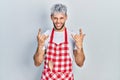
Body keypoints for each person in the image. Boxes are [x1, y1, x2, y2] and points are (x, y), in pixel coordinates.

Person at [33, 3, 86, 80]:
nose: (58, 21)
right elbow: (37, 63)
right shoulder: (45, 36)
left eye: (61, 18)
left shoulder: (73, 36)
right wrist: (40, 45)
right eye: (55, 18)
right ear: (51, 17)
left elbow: (80, 63)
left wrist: (79, 47)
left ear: (66, 17)